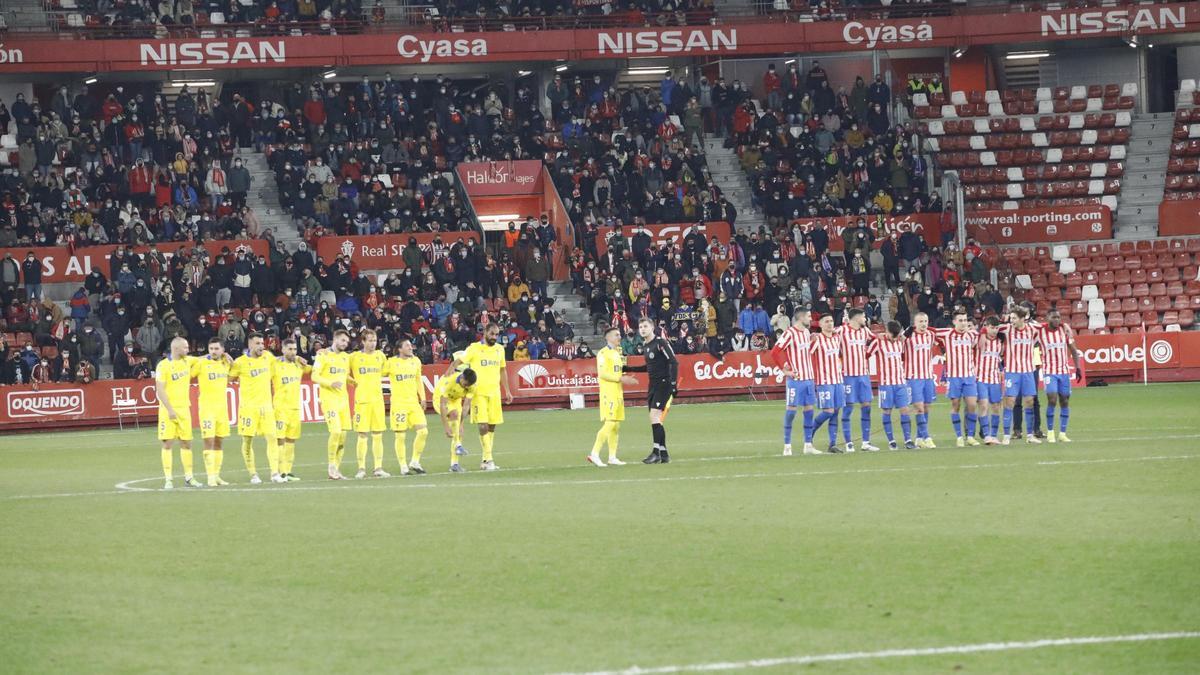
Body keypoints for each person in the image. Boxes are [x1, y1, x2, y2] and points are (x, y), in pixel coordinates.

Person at [450, 324, 514, 471]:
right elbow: (458, 361)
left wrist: (507, 391)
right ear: (485, 332)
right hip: (478, 393)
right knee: (483, 425)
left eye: (496, 334)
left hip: (495, 393)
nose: (494, 337)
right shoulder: (474, 348)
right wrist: (449, 373)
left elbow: (502, 370)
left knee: (492, 426)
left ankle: (485, 461)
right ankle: (488, 458)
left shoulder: (499, 349)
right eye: (492, 334)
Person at [622, 318, 679, 464]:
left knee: (654, 417)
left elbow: (673, 361)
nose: (642, 329)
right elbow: (649, 367)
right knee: (656, 420)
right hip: (652, 385)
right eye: (640, 327)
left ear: (652, 327)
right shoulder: (646, 345)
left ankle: (656, 453)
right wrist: (629, 369)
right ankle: (664, 453)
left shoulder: (661, 343)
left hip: (663, 384)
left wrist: (673, 383)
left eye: (645, 326)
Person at [230, 332, 282, 484]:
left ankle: (274, 473)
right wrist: (224, 360)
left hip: (266, 407)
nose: (261, 346)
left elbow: (281, 360)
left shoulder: (268, 357)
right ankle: (253, 474)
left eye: (262, 343)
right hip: (248, 408)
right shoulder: (240, 362)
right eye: (258, 343)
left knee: (272, 438)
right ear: (250, 344)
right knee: (247, 441)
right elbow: (229, 378)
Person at [771, 306, 819, 456]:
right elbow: (775, 351)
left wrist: (812, 342)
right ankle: (787, 446)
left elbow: (806, 352)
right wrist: (785, 370)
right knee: (791, 412)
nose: (811, 319)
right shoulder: (790, 333)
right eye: (809, 316)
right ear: (801, 317)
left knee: (809, 411)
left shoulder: (806, 332)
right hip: (796, 380)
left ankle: (808, 444)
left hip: (809, 378)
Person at [155, 336, 201, 489]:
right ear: (176, 349)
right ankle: (168, 479)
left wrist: (221, 354)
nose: (188, 350)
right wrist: (169, 410)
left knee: (187, 443)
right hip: (168, 411)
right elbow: (160, 390)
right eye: (185, 348)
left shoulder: (187, 361)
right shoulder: (163, 366)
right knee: (168, 443)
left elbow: (202, 359)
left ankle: (189, 477)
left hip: (184, 409)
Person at [590, 327, 636, 467]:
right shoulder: (603, 353)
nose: (619, 337)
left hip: (617, 392)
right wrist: (621, 379)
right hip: (608, 392)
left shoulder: (618, 352)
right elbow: (602, 374)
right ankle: (594, 454)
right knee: (610, 422)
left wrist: (626, 377)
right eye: (616, 335)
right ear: (608, 337)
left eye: (619, 334)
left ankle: (612, 456)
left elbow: (618, 371)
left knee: (616, 425)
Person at [935, 310, 981, 447]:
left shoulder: (972, 335)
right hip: (954, 376)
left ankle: (971, 436)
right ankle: (959, 436)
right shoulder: (947, 334)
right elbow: (931, 332)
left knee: (972, 405)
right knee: (956, 405)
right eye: (960, 320)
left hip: (969, 375)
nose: (963, 323)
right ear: (954, 322)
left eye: (965, 320)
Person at [313, 329, 353, 479]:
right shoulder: (323, 355)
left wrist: (350, 380)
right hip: (329, 399)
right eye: (343, 340)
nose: (345, 343)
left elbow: (343, 375)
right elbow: (314, 375)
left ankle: (336, 469)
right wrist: (330, 383)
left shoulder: (345, 357)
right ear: (335, 339)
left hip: (343, 400)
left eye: (347, 342)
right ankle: (331, 466)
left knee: (343, 436)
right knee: (335, 432)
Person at [837, 308, 878, 453]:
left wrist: (868, 354)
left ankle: (866, 442)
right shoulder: (842, 331)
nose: (865, 319)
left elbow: (876, 341)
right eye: (864, 316)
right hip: (848, 375)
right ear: (856, 318)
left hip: (863, 375)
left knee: (866, 407)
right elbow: (830, 339)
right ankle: (848, 443)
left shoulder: (865, 331)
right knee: (848, 408)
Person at [385, 337, 428, 475]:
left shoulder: (416, 361)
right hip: (399, 404)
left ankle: (415, 461)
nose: (411, 347)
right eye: (407, 345)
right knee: (400, 436)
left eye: (411, 345)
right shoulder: (391, 363)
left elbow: (418, 380)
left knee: (423, 432)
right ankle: (403, 466)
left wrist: (423, 398)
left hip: (413, 403)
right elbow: (376, 373)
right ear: (399, 349)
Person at [1037, 309, 1082, 443]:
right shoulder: (1040, 331)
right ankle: (1050, 432)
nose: (1057, 320)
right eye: (1054, 317)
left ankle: (1062, 433)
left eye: (1058, 317)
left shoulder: (1064, 330)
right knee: (1052, 398)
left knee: (1064, 400)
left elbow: (1073, 350)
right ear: (1047, 318)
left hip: (1064, 372)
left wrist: (1078, 367)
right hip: (1049, 371)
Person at [193, 337, 234, 485]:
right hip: (207, 409)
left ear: (223, 350)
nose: (214, 352)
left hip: (222, 409)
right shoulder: (202, 363)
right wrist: (205, 356)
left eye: (217, 349)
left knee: (219, 442)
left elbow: (237, 369)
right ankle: (210, 476)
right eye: (211, 349)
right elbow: (188, 363)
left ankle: (216, 475)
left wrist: (230, 359)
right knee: (208, 441)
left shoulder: (226, 364)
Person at [349, 329, 389, 478]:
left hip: (377, 401)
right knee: (362, 434)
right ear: (363, 341)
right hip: (362, 401)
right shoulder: (354, 357)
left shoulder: (380, 356)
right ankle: (361, 468)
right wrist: (350, 380)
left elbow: (387, 370)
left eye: (374, 340)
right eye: (370, 340)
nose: (373, 343)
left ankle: (378, 468)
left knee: (378, 434)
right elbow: (342, 368)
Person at [999, 306, 1041, 445]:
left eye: (1014, 318)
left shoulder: (1032, 330)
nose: (1012, 321)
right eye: (1011, 318)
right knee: (1009, 402)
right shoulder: (1007, 329)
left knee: (1029, 401)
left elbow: (1046, 327)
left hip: (1028, 371)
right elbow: (991, 327)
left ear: (1023, 318)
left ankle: (1030, 435)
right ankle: (1006, 435)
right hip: (1012, 371)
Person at [872, 321, 915, 450]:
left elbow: (911, 328)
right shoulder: (878, 342)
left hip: (900, 382)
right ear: (887, 331)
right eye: (893, 335)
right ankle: (891, 441)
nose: (895, 338)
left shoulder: (900, 340)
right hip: (886, 383)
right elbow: (867, 354)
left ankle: (908, 440)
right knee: (887, 411)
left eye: (897, 335)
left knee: (905, 410)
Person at [272, 338, 310, 481]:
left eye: (295, 349)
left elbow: (314, 369)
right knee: (280, 440)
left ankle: (287, 471)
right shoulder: (275, 364)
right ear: (283, 350)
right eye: (290, 349)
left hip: (295, 408)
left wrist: (322, 352)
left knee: (291, 441)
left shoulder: (299, 365)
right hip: (280, 408)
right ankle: (279, 471)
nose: (293, 352)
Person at [809, 314, 845, 453]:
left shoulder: (836, 338)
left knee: (835, 412)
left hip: (838, 380)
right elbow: (808, 354)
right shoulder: (817, 339)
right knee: (828, 411)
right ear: (820, 324)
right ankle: (809, 434)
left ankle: (833, 444)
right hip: (824, 381)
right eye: (826, 321)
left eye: (831, 321)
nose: (830, 323)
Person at [434, 367, 478, 473]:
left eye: (468, 385)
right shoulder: (449, 381)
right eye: (465, 384)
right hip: (440, 399)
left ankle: (454, 464)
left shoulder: (472, 386)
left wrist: (461, 423)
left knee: (459, 432)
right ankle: (458, 445)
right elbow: (442, 404)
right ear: (462, 377)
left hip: (456, 401)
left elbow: (466, 406)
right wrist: (446, 427)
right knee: (453, 415)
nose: (466, 387)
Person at [905, 312, 938, 448]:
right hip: (914, 377)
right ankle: (927, 437)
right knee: (918, 407)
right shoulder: (908, 337)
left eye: (925, 321)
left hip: (928, 376)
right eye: (920, 321)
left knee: (926, 407)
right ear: (915, 323)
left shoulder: (931, 335)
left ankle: (919, 438)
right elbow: (897, 339)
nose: (924, 324)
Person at [975, 317, 1005, 445]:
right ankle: (986, 435)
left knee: (996, 407)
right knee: (983, 405)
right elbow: (980, 347)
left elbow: (1001, 356)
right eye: (992, 327)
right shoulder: (979, 338)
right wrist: (982, 331)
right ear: (986, 326)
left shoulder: (1000, 341)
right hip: (980, 377)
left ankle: (993, 435)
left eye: (996, 328)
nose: (994, 330)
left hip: (994, 378)